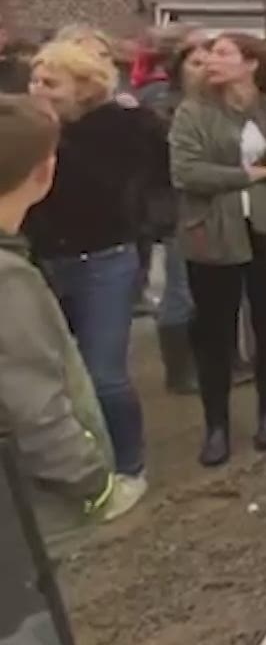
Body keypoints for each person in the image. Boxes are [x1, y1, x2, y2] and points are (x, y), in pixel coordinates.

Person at [0, 95, 144, 554]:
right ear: (44, 174)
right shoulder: (8, 280)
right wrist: (94, 485)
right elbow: (32, 408)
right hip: (25, 513)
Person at [22, 41, 168, 487]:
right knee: (57, 373)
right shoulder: (30, 127)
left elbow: (98, 187)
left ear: (84, 88)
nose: (37, 89)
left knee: (104, 373)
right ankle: (78, 459)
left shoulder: (118, 129)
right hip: (46, 261)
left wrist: (53, 137)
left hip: (105, 259)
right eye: (34, 80)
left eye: (51, 83)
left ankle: (129, 466)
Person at [169, 33, 266, 467]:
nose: (209, 61)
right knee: (214, 335)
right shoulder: (193, 111)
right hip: (211, 234)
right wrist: (255, 175)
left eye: (222, 54)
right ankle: (216, 427)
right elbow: (186, 173)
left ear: (252, 63)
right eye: (206, 55)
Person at [141, 30, 210, 395]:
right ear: (179, 68)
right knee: (180, 289)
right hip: (176, 207)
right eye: (195, 63)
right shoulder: (160, 105)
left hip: (215, 207)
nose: (203, 70)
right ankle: (179, 373)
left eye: (207, 63)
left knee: (207, 289)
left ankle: (211, 358)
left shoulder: (220, 103)